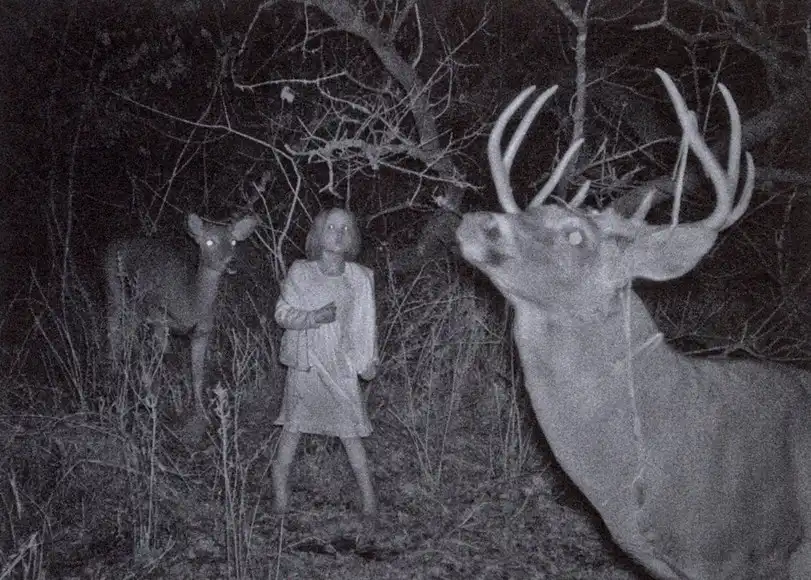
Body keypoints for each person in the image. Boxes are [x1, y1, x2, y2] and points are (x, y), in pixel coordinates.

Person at [272, 207, 379, 517]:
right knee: (293, 428)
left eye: (345, 228)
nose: (338, 234)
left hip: (340, 365)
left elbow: (365, 324)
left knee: (350, 432)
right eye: (331, 227)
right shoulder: (301, 272)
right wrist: (312, 317)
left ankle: (370, 501)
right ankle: (279, 494)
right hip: (306, 363)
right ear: (318, 234)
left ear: (353, 237)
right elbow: (282, 313)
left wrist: (368, 360)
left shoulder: (359, 277)